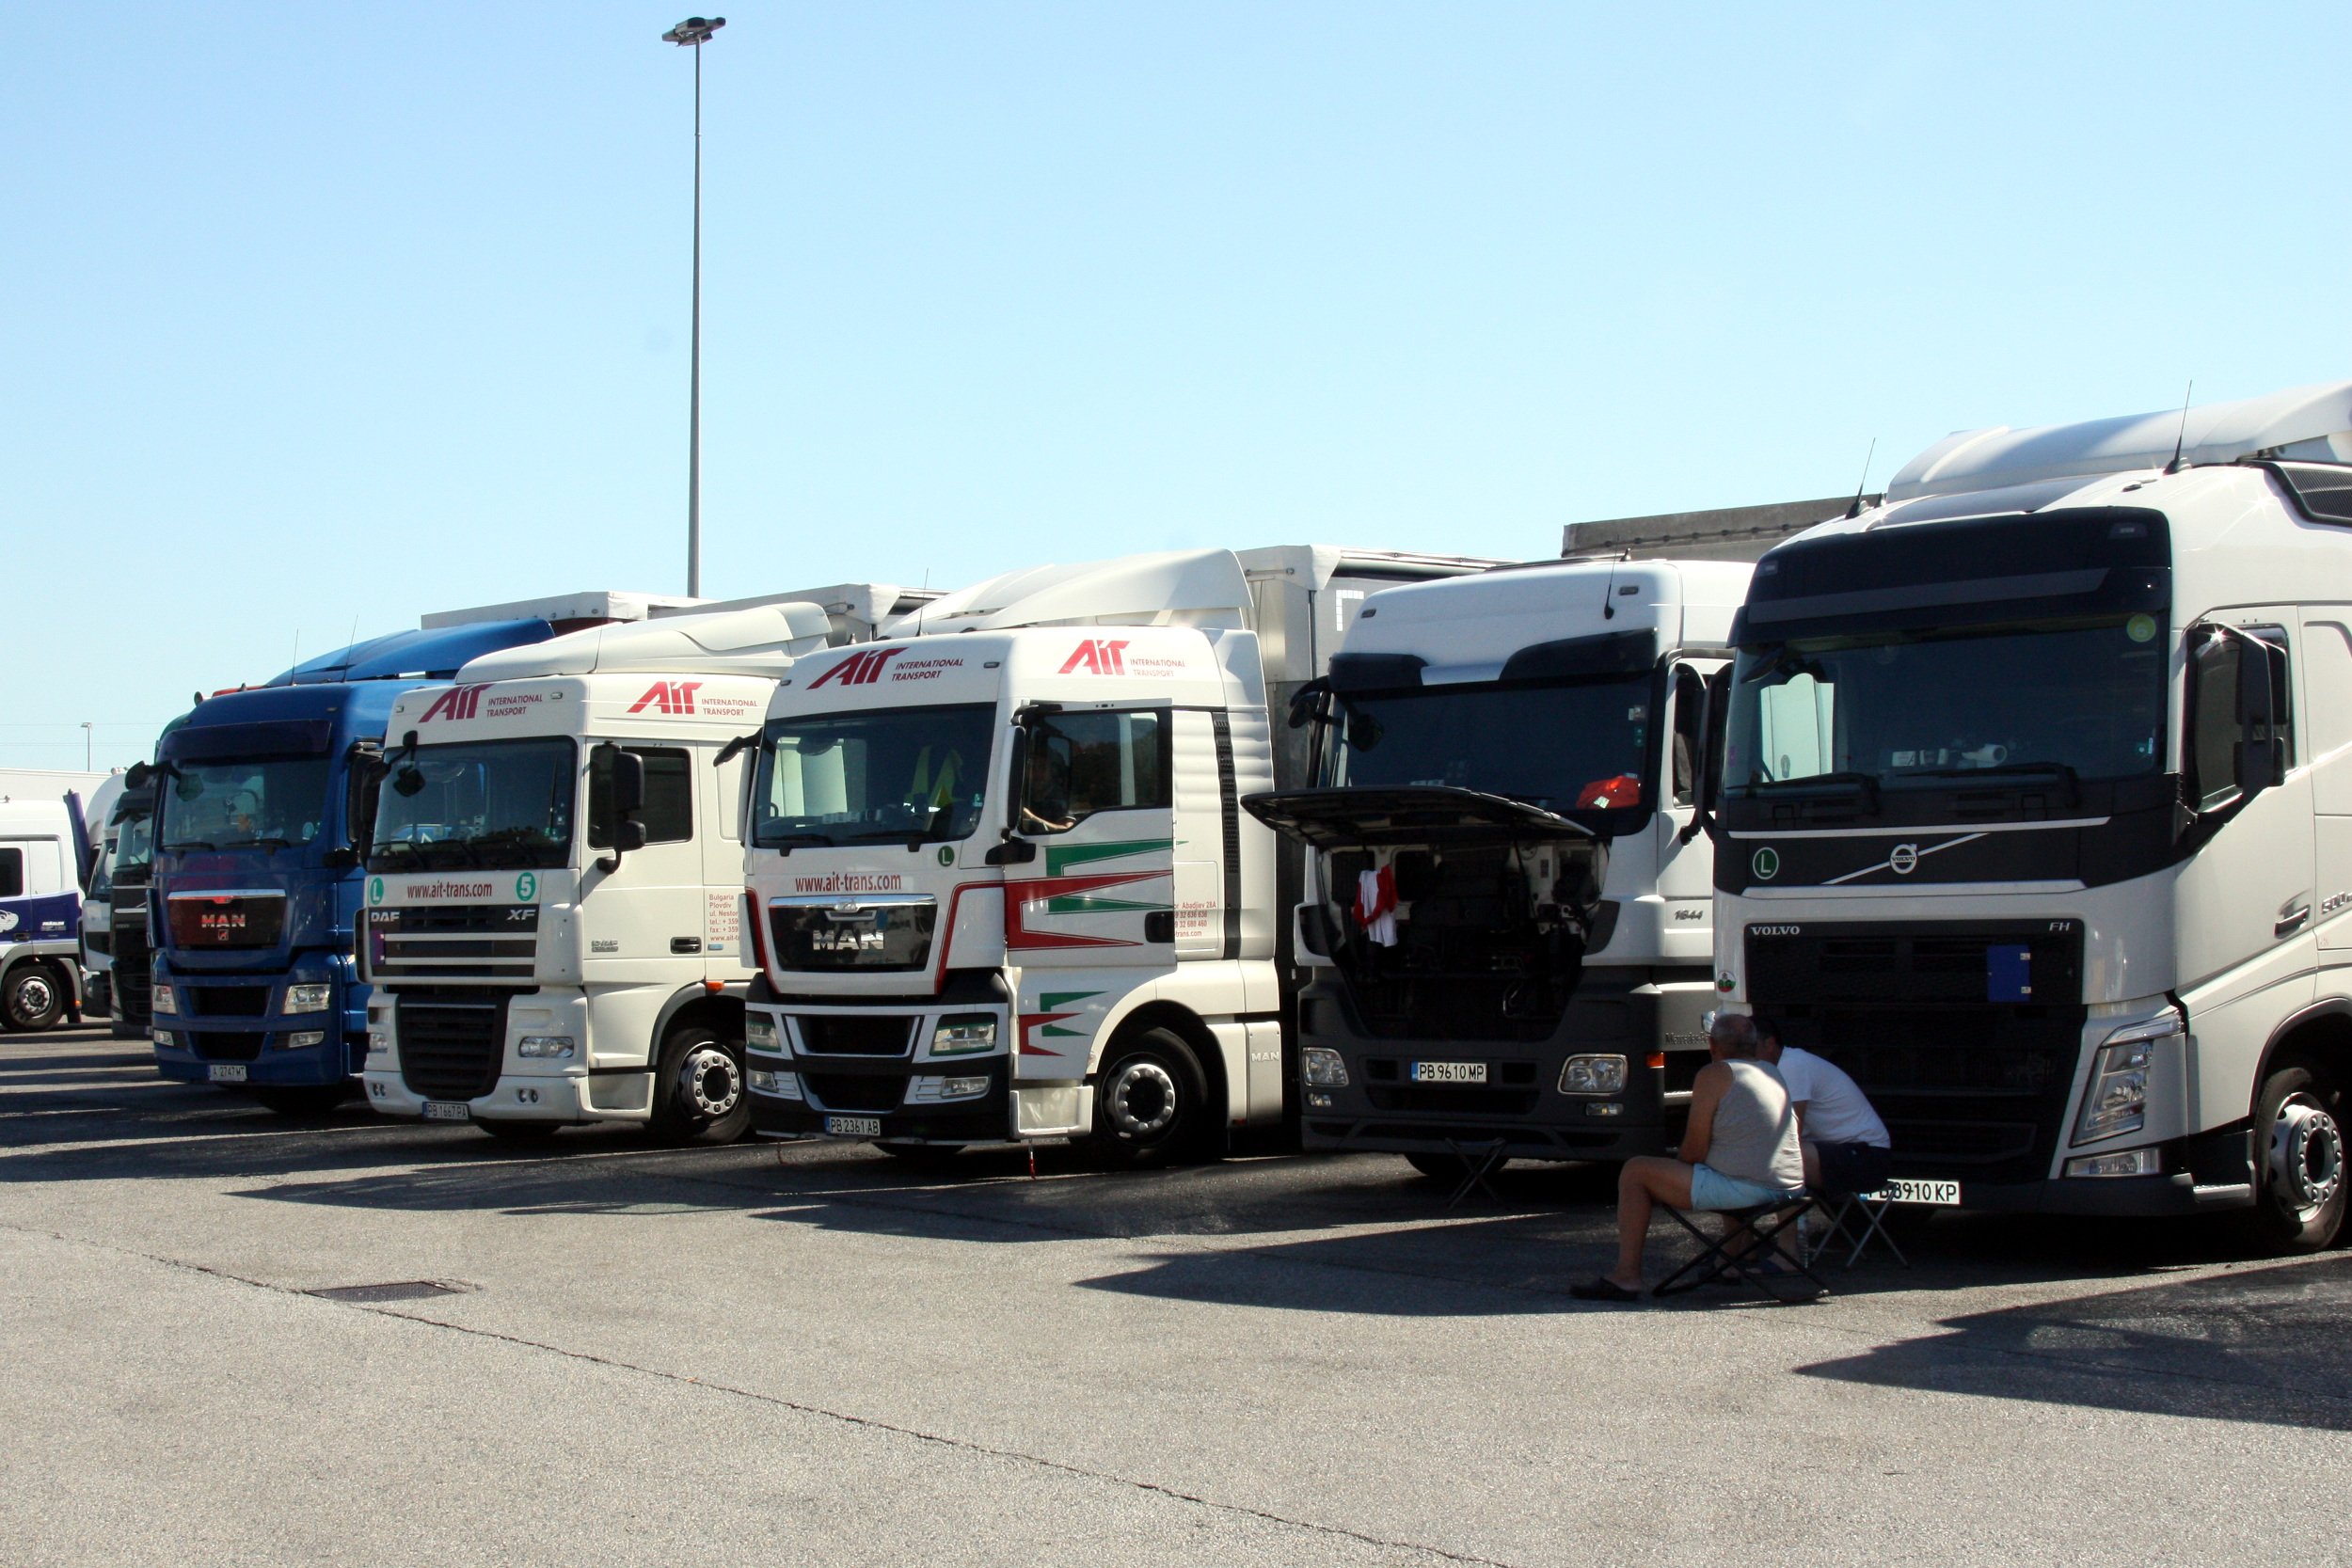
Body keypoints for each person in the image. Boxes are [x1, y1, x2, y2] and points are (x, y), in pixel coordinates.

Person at [1571, 1012, 1803, 1301]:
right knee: (1727, 1167)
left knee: (1636, 1171)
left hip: (1750, 1189)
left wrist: (1673, 1175)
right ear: (1755, 1045)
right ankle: (1726, 1265)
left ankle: (1627, 1276)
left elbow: (1693, 1151)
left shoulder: (1714, 1074)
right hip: (1791, 1189)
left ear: (1713, 1045)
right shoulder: (1771, 1070)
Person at [1753, 1017, 1892, 1196]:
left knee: (1781, 1156)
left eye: (1749, 1048)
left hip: (1868, 1158)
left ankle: (1786, 1221)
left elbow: (1791, 1131)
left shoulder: (1791, 1065)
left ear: (1769, 1044)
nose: (1744, 1055)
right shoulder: (1777, 1067)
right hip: (1840, 1151)